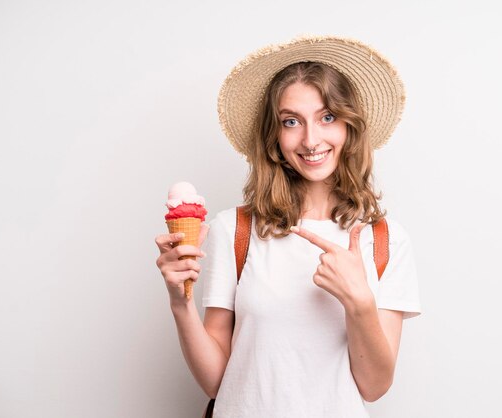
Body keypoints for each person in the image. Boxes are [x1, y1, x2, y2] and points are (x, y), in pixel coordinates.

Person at [154, 35, 421, 418]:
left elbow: (374, 387)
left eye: (327, 117)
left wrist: (359, 301)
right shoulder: (235, 230)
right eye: (291, 122)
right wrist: (179, 303)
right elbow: (217, 381)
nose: (311, 140)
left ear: (349, 127)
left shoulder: (386, 241)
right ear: (275, 139)